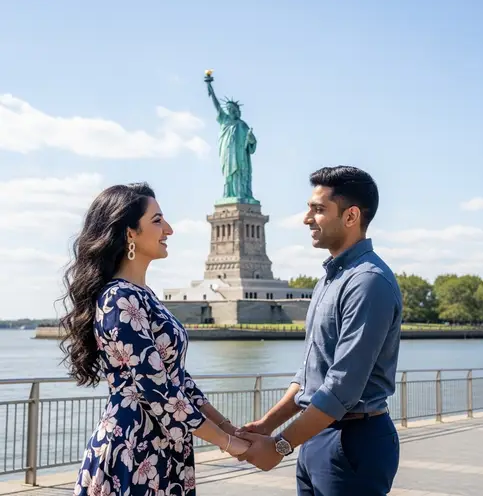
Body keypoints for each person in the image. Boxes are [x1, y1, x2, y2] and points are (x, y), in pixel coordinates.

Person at [59, 182, 249, 496]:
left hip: (160, 448)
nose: (169, 229)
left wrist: (229, 428)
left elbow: (179, 381)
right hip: (132, 450)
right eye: (158, 220)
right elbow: (159, 392)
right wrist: (231, 445)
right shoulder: (118, 300)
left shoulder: (144, 297)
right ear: (130, 232)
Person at [236, 166, 403, 495]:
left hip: (352, 441)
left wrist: (280, 446)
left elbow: (341, 388)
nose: (306, 218)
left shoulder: (368, 282)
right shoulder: (330, 279)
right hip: (318, 436)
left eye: (318, 209)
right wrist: (267, 425)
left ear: (351, 216)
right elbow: (309, 375)